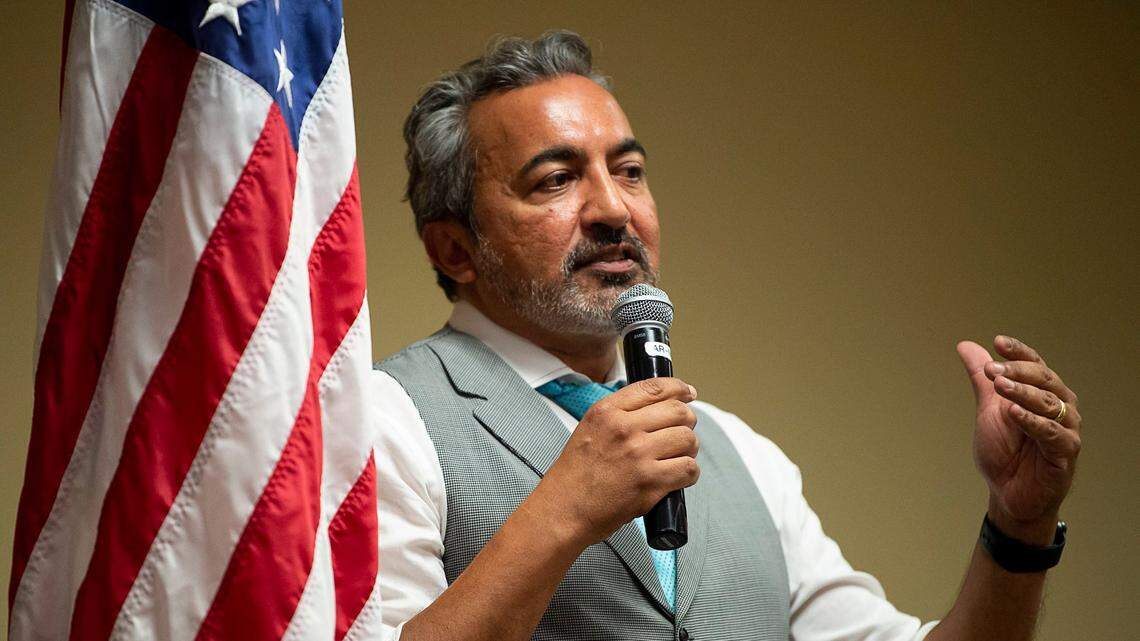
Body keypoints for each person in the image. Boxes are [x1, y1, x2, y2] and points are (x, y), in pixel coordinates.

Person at [372, 31, 1082, 641]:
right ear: (455, 249)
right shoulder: (384, 419)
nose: (614, 209)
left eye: (630, 172)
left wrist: (1019, 523)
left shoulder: (743, 453)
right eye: (557, 179)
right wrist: (564, 511)